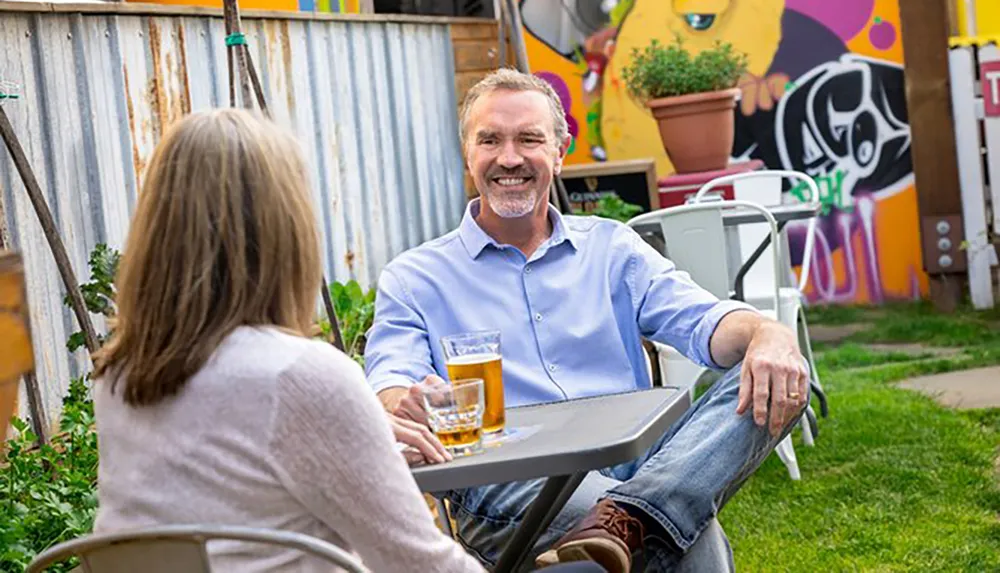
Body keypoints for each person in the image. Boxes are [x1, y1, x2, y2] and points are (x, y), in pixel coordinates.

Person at [364, 69, 811, 573]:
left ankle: (626, 516)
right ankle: (642, 514)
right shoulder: (415, 276)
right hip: (509, 485)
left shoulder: (611, 247)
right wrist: (404, 402)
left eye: (529, 139)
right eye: (490, 140)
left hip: (636, 463)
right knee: (690, 541)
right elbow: (390, 379)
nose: (509, 158)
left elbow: (704, 322)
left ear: (560, 151)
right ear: (468, 153)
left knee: (777, 368)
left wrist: (768, 333)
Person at [90, 109, 483, 572]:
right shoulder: (298, 374)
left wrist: (360, 438)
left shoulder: (118, 374)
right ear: (286, 227)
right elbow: (421, 564)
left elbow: (231, 488)